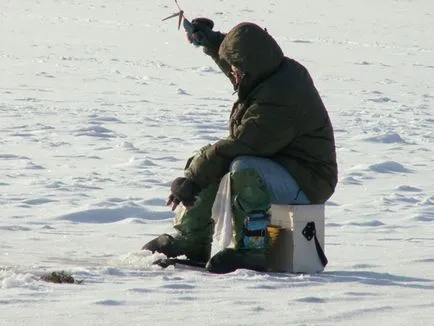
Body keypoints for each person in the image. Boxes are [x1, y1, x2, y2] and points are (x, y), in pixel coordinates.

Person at [142, 18, 338, 274]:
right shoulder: (273, 72)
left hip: (310, 180)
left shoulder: (279, 100)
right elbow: (244, 66)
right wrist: (211, 42)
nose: (232, 72)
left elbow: (244, 144)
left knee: (241, 166)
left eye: (236, 68)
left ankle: (252, 249)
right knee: (214, 160)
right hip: (284, 164)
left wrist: (192, 180)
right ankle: (191, 241)